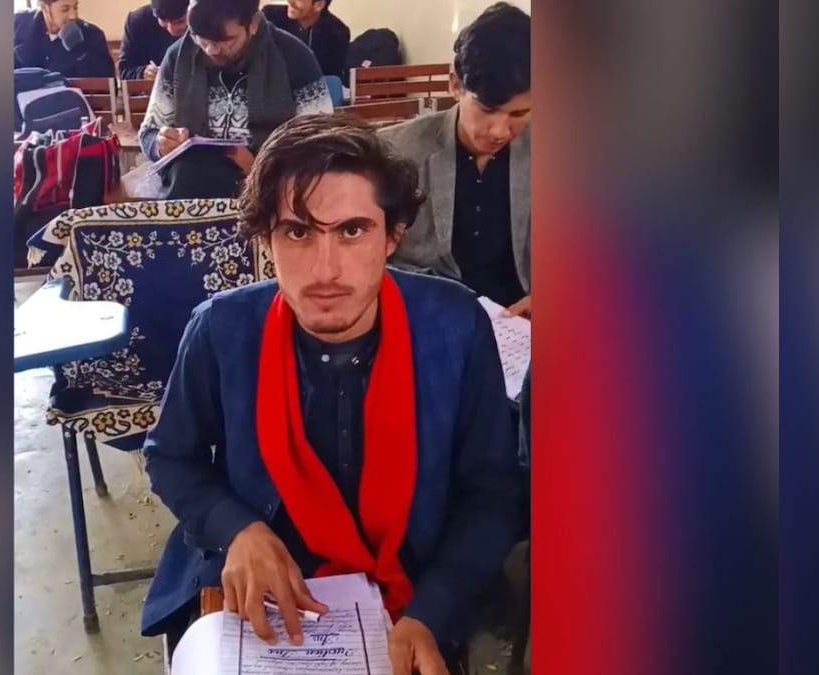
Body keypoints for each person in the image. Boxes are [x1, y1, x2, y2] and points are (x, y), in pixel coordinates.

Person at [140, 114, 519, 675]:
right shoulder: (221, 328)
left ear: (392, 236)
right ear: (266, 241)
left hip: (418, 584)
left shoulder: (456, 325)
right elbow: (171, 456)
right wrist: (236, 528)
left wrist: (431, 613)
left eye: (352, 231)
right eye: (297, 232)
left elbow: (492, 492)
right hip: (264, 587)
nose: (325, 269)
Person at [380, 3, 532, 316]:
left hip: (521, 321)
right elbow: (367, 253)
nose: (501, 131)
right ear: (455, 85)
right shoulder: (395, 151)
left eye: (519, 113)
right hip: (428, 314)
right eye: (487, 110)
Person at [138, 0, 333, 199]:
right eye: (202, 39)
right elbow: (149, 132)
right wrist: (161, 144)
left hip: (272, 191)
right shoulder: (178, 57)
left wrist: (261, 167)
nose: (211, 50)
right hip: (190, 189)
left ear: (253, 23)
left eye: (226, 41)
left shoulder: (295, 57)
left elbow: (322, 141)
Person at [13, 0, 115, 79]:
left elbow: (107, 86)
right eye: (65, 9)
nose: (73, 16)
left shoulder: (92, 35)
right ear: (45, 8)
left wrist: (79, 53)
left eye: (75, 7)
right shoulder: (17, 27)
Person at [261, 0, 351, 80]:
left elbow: (328, 78)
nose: (290, 1)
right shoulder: (270, 17)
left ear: (319, 5)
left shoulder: (337, 33)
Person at [118, 0, 190, 81]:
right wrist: (142, 72)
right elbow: (124, 71)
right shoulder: (138, 21)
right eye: (164, 21)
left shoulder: (200, 18)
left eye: (180, 22)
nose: (172, 30)